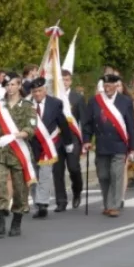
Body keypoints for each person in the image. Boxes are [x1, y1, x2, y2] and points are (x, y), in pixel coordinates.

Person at [0, 72, 36, 238]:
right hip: (1, 151)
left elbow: (31, 129)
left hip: (19, 151)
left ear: (19, 85)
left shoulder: (27, 106)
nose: (10, 87)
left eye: (13, 84)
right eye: (7, 85)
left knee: (20, 190)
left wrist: (15, 135)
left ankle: (16, 221)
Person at [82, 74, 134, 217]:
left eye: (110, 86)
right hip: (101, 144)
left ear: (116, 86)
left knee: (116, 174)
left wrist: (133, 147)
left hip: (119, 144)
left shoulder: (125, 101)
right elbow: (87, 123)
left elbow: (131, 125)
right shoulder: (95, 101)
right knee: (103, 175)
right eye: (105, 86)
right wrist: (87, 140)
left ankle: (114, 205)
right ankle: (108, 204)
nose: (107, 89)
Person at [28, 76, 73, 219]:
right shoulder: (26, 105)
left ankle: (42, 204)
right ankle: (37, 204)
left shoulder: (55, 103)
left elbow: (62, 123)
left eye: (40, 91)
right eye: (34, 91)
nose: (37, 94)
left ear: (45, 90)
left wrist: (68, 142)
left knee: (45, 175)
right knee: (33, 176)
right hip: (31, 146)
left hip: (49, 145)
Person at [53, 70, 85, 210]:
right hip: (57, 137)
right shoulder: (53, 96)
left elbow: (83, 120)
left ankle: (77, 191)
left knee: (73, 167)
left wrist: (86, 140)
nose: (64, 83)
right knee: (57, 170)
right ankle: (61, 201)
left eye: (67, 80)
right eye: (62, 80)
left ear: (70, 81)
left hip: (72, 137)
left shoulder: (77, 98)